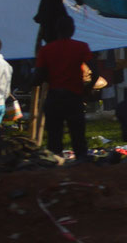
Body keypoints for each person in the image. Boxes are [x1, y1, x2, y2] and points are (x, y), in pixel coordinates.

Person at [34, 17, 96, 161]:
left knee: (54, 137)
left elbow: (38, 76)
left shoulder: (46, 50)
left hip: (54, 96)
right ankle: (82, 165)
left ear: (57, 30)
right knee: (78, 136)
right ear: (73, 29)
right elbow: (95, 71)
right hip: (74, 96)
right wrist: (88, 89)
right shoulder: (81, 47)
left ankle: (55, 164)